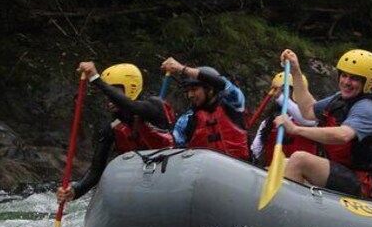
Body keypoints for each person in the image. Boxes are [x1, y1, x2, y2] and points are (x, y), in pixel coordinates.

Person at [273, 49, 372, 200]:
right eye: (344, 75)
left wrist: (295, 129)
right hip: (346, 170)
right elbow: (308, 110)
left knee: (299, 159)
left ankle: (290, 214)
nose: (346, 82)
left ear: (367, 82)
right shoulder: (340, 99)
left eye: (354, 78)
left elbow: (343, 135)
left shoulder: (369, 108)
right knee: (282, 163)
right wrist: (296, 71)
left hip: (369, 182)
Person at [56, 61, 175, 205]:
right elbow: (95, 172)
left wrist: (95, 79)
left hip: (168, 180)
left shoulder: (154, 107)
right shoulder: (112, 126)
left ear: (131, 89)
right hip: (139, 186)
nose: (109, 99)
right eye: (107, 93)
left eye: (114, 91)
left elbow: (131, 106)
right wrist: (74, 191)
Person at [161, 57, 250, 160]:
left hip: (237, 171)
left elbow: (221, 83)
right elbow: (173, 148)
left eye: (194, 90)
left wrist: (182, 69)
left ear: (210, 90)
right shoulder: (185, 120)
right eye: (188, 91)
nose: (190, 95)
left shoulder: (234, 104)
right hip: (204, 173)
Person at [251, 71, 317, 165]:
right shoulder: (267, 123)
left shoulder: (311, 120)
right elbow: (255, 150)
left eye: (286, 90)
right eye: (282, 91)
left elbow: (305, 119)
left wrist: (280, 98)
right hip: (273, 173)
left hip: (299, 177)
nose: (284, 94)